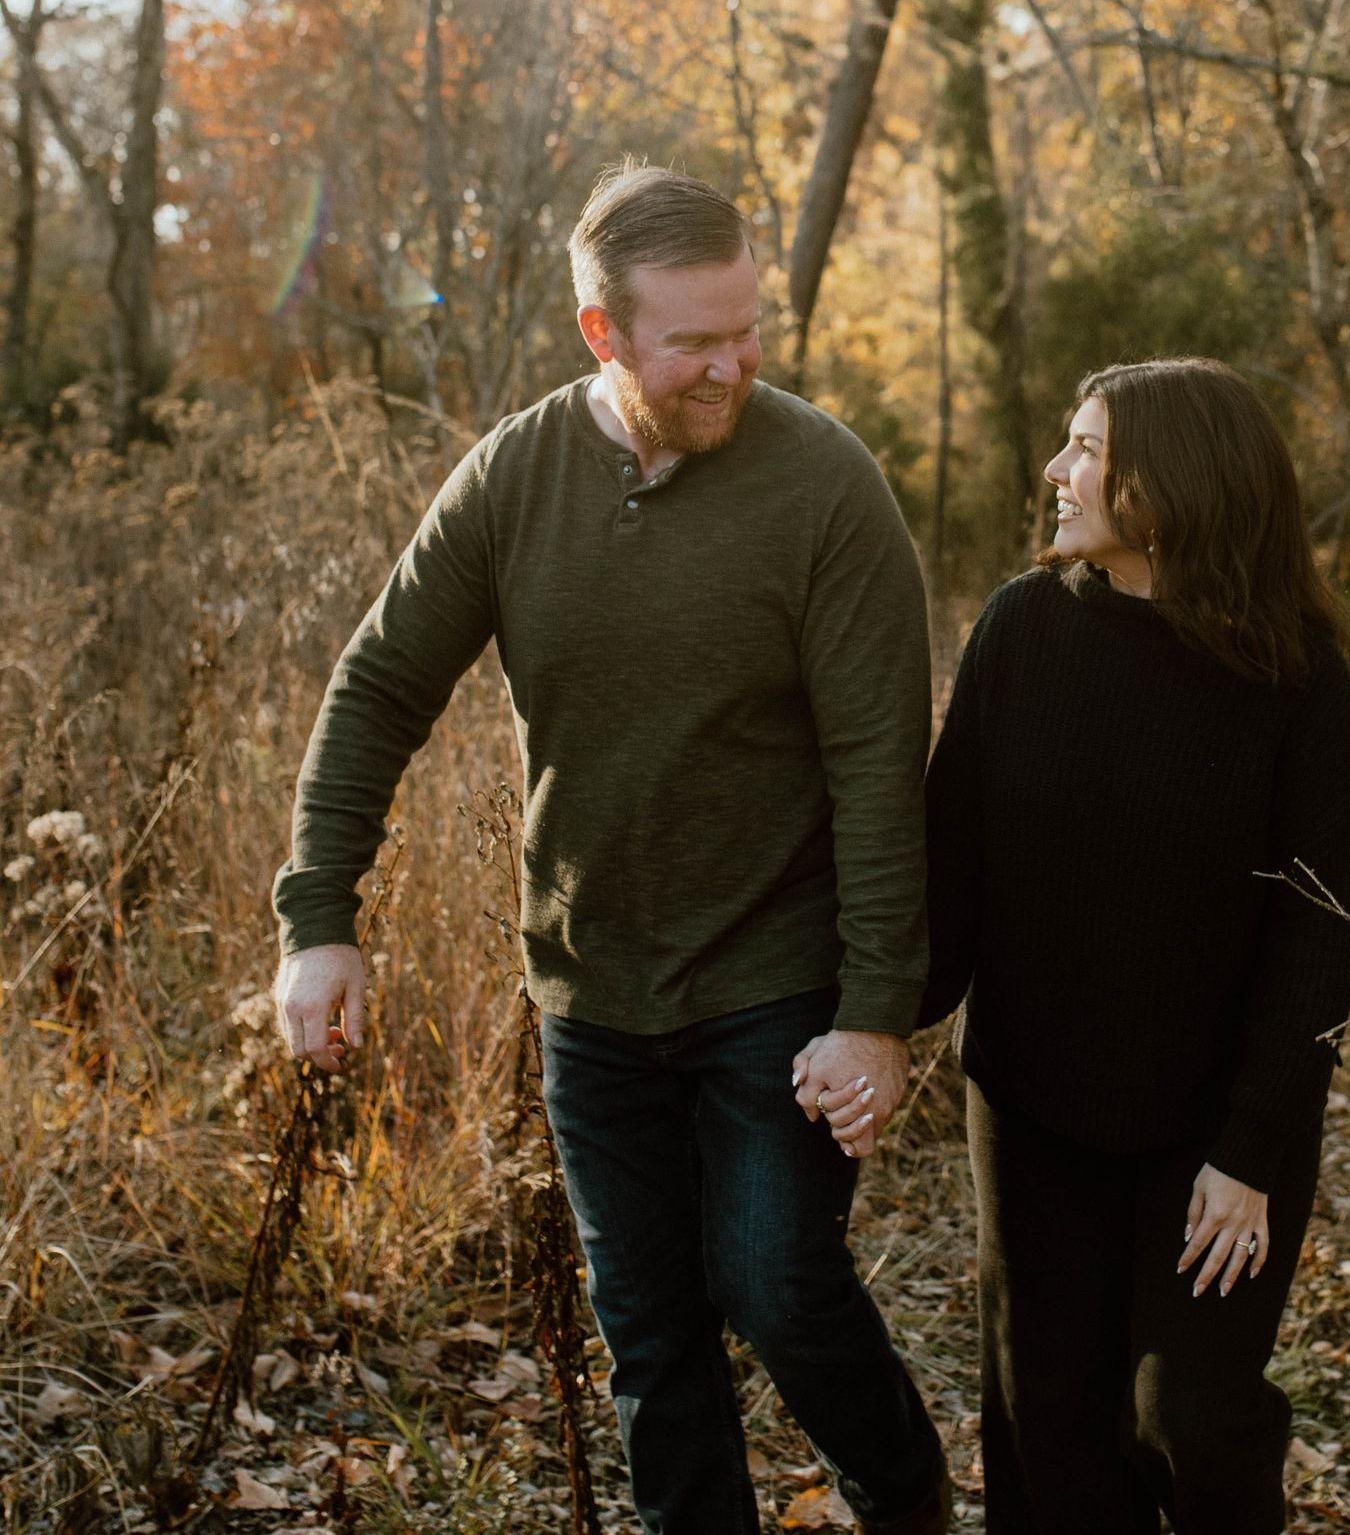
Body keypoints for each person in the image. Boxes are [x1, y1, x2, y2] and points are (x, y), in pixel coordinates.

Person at [271, 161, 952, 1535]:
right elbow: (380, 685)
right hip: (589, 987)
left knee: (776, 1286)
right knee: (649, 1335)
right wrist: (318, 919)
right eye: (693, 341)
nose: (732, 365)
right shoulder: (514, 476)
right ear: (601, 332)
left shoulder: (825, 485)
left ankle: (909, 1501)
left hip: (775, 977)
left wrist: (878, 1012)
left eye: (746, 328)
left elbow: (882, 766)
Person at [892, 358, 1350, 1535]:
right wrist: (870, 1016)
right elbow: (949, 870)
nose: (1053, 469)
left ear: (1170, 483)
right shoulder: (1021, 627)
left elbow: (1315, 944)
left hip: (1213, 1130)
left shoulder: (1298, 683)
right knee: (1047, 1428)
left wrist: (1250, 1150)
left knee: (1188, 1417)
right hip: (1031, 1105)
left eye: (1086, 449)